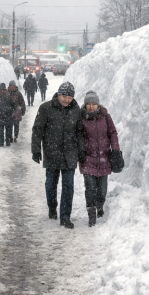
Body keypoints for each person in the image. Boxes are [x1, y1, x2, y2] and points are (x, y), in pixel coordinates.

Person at [31, 81, 85, 229]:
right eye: (64, 96)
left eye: (70, 97)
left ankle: (65, 216)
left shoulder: (76, 110)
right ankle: (52, 207)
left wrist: (81, 150)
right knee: (50, 184)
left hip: (70, 154)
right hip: (51, 152)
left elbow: (80, 132)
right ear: (59, 94)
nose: (67, 100)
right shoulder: (46, 108)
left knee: (68, 186)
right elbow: (37, 129)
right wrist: (36, 149)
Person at [79, 91, 120, 227]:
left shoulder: (106, 117)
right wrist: (81, 149)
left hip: (104, 157)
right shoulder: (81, 118)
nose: (91, 106)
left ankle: (100, 205)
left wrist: (115, 149)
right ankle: (91, 213)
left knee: (102, 190)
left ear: (98, 104)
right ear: (85, 105)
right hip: (87, 157)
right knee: (90, 188)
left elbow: (112, 133)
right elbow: (77, 135)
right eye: (89, 104)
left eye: (94, 104)